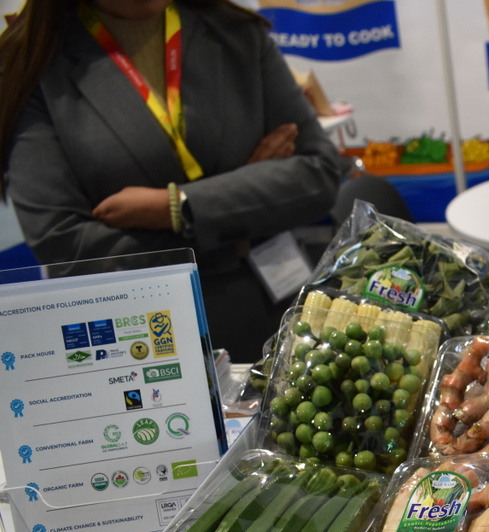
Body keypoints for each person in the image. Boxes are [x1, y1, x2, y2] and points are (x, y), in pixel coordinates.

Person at [0, 0, 347, 360]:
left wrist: (177, 208)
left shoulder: (233, 31)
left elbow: (318, 173)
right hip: (141, 340)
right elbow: (63, 243)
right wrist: (244, 208)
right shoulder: (33, 63)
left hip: (279, 313)